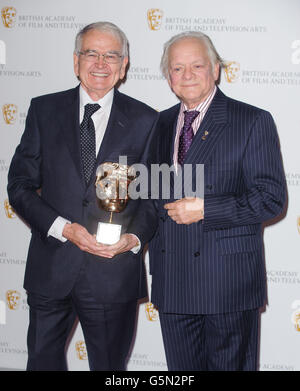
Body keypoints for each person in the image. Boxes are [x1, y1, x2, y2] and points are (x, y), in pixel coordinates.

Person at [7, 21, 158, 371]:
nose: (100, 63)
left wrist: (134, 238)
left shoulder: (147, 120)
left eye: (111, 55)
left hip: (113, 272)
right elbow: (19, 186)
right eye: (91, 53)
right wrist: (64, 228)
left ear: (124, 67)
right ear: (76, 61)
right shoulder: (44, 111)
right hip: (51, 269)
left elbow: (152, 200)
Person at [143, 31, 286, 371]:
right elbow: (152, 194)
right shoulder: (159, 123)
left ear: (216, 70)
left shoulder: (251, 120)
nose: (187, 75)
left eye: (197, 65)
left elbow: (270, 199)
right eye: (177, 68)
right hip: (173, 281)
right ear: (168, 77)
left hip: (226, 284)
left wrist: (206, 209)